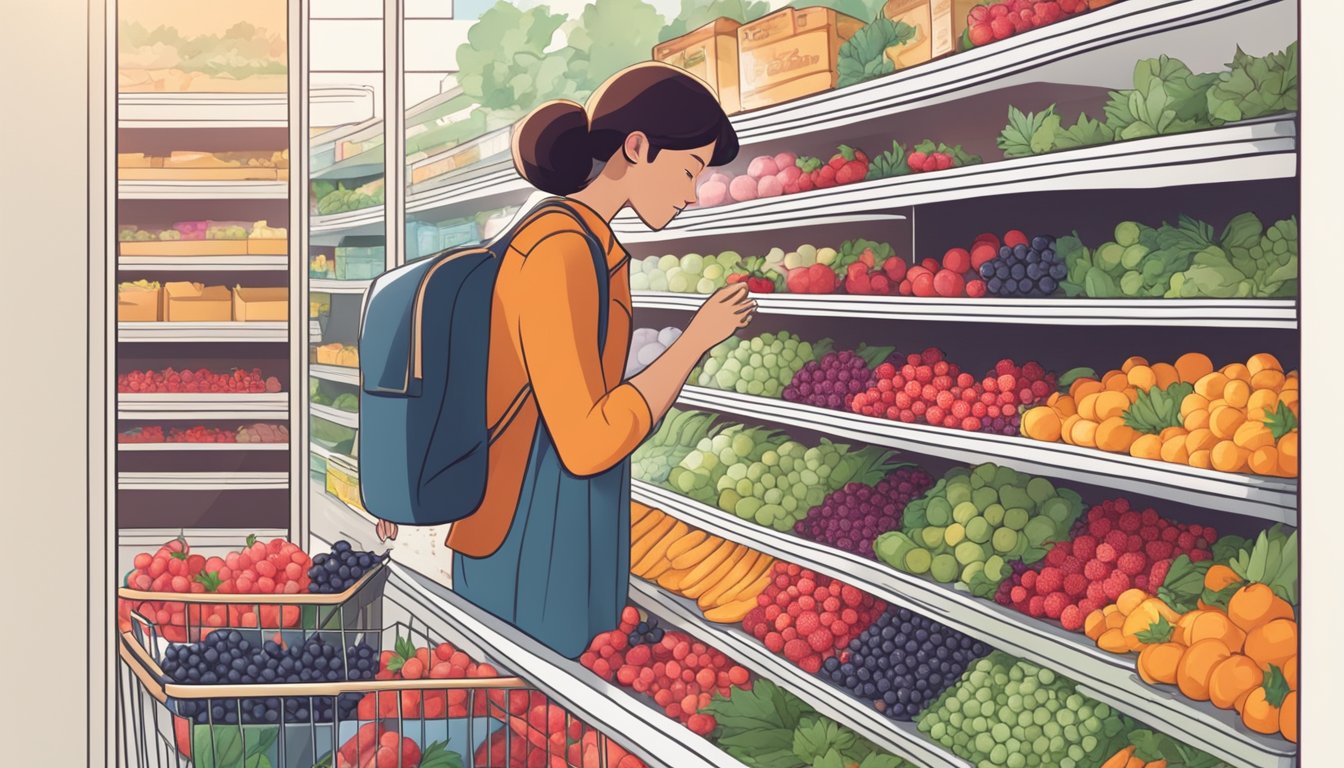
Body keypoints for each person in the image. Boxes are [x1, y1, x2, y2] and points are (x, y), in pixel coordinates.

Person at [377, 62, 756, 658]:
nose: (692, 194)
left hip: (569, 525)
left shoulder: (587, 243)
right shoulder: (560, 250)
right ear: (636, 147)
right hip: (532, 537)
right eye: (689, 170)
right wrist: (695, 340)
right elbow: (584, 441)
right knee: (536, 721)